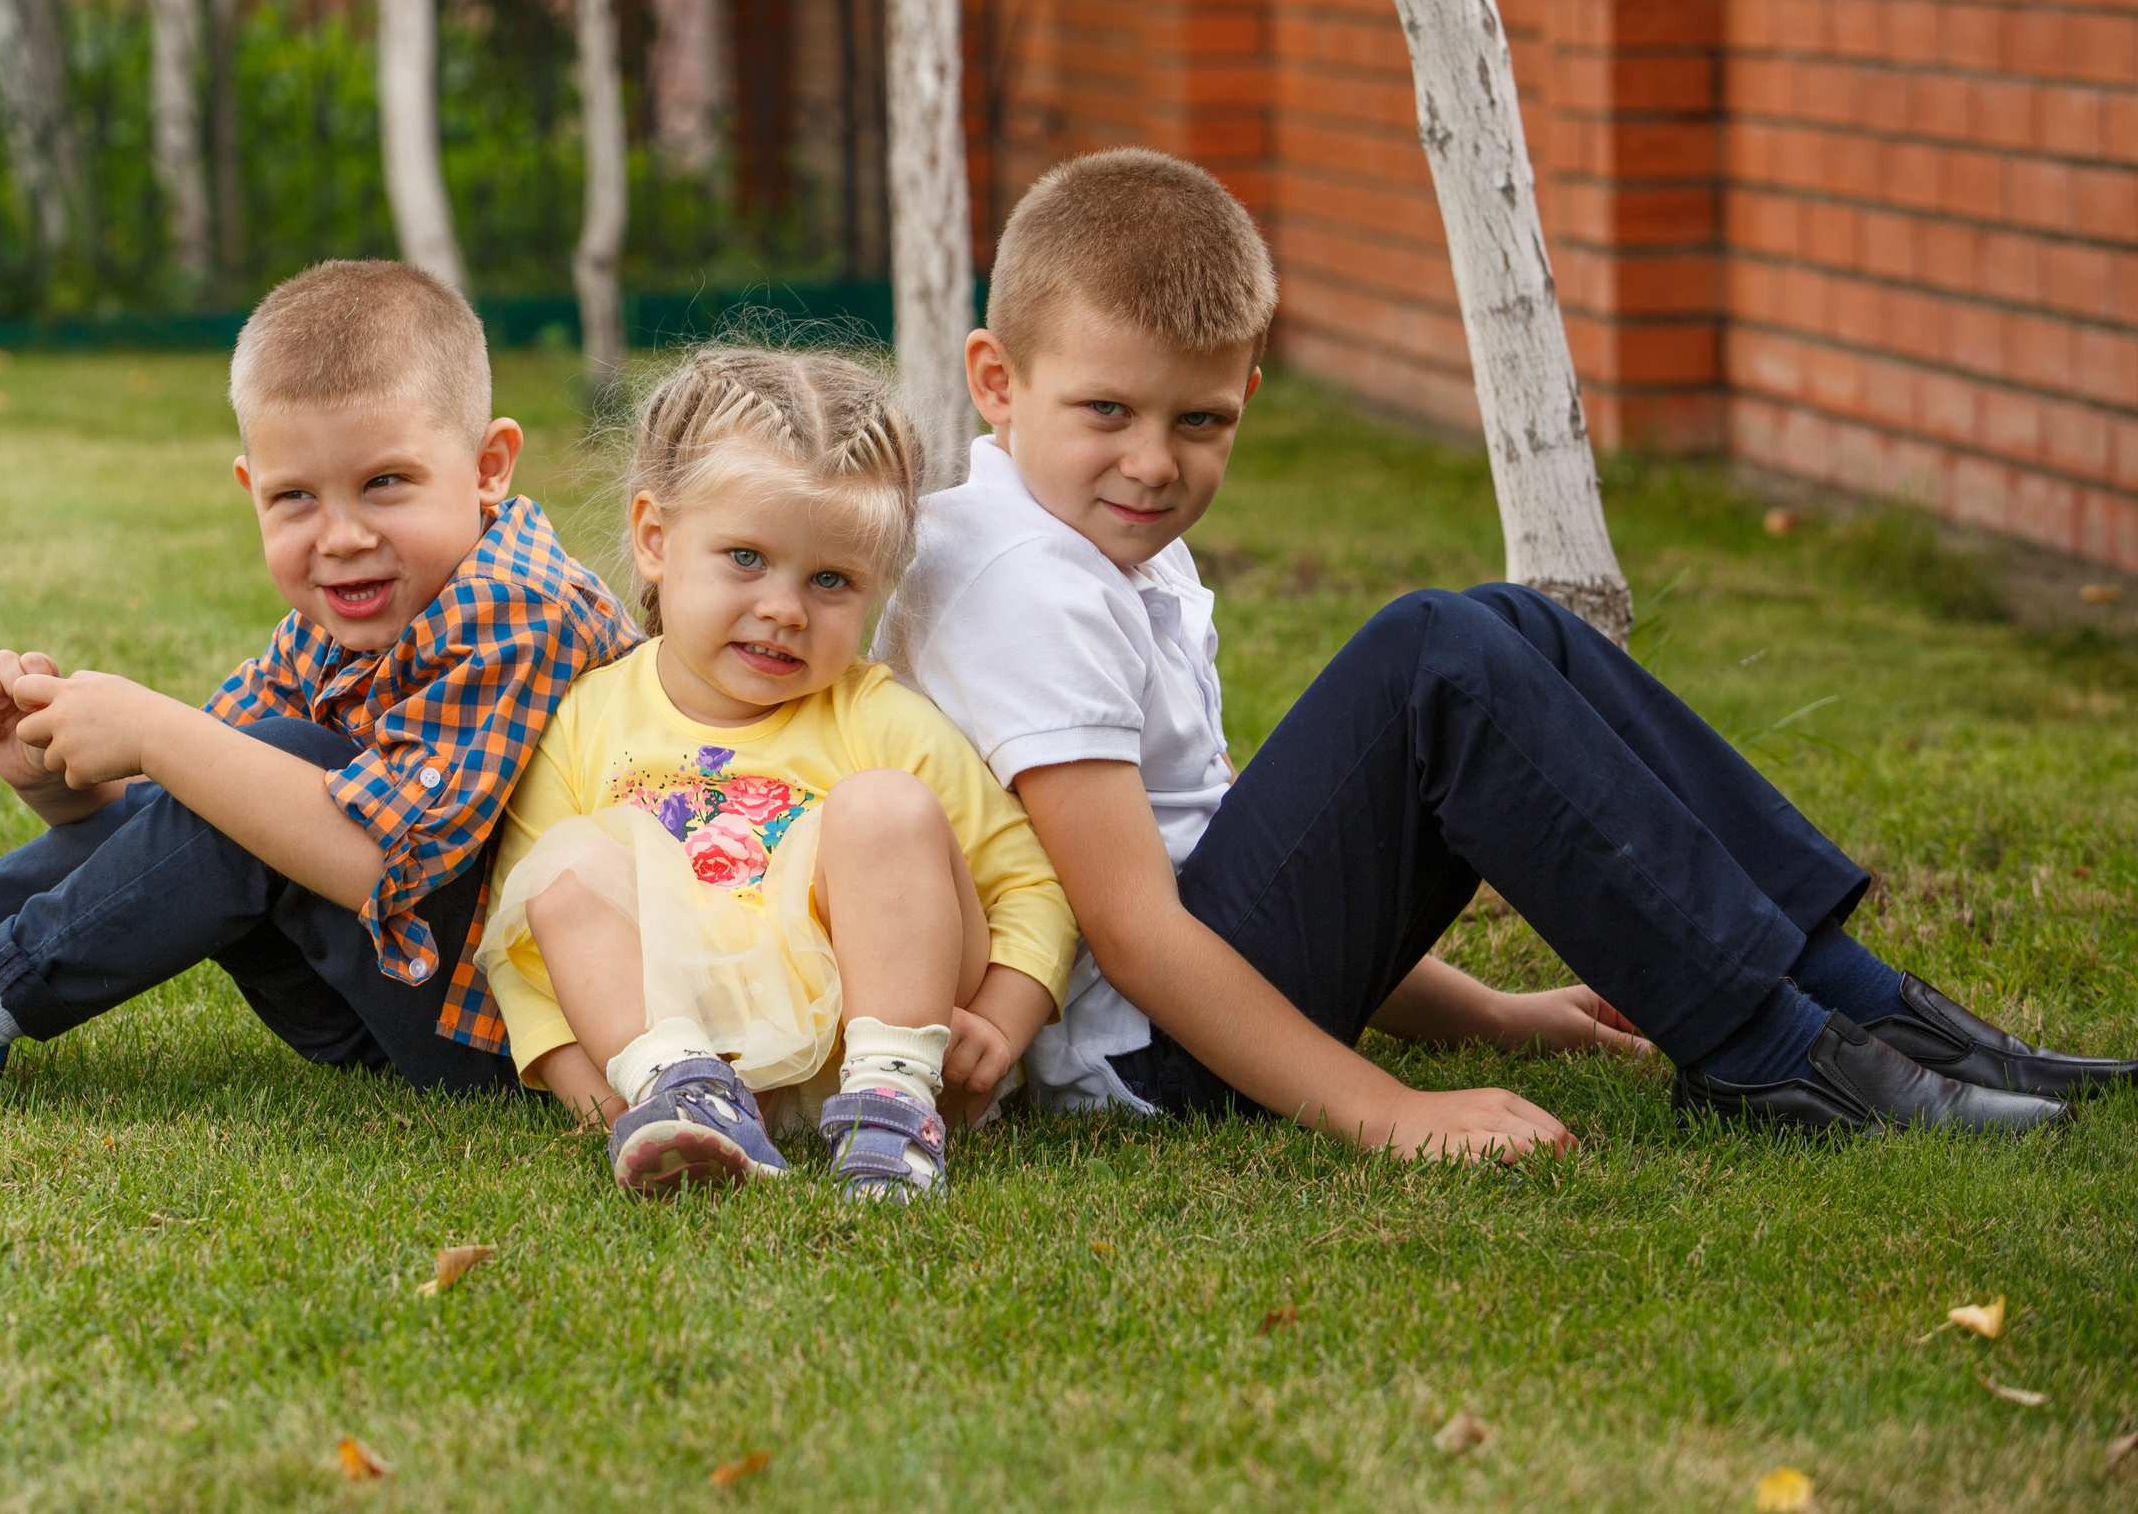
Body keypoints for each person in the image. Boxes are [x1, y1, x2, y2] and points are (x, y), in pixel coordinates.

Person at [876, 149, 2135, 1158]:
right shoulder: (1016, 581)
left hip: (1177, 1011)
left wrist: (1494, 1015)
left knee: (1505, 624)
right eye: (1108, 411)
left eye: (1198, 422)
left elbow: (1231, 854)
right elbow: (1143, 935)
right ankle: (1767, 1050)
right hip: (1143, 1062)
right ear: (996, 379)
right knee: (1438, 653)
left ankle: (1857, 1004)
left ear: (1247, 397)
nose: (1153, 462)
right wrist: (1390, 1111)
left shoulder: (1092, 541)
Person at [0, 260, 640, 1120]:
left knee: (270, 766)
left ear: (487, 468)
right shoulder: (338, 622)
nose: (340, 536)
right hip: (384, 998)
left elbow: (379, 865)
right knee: (240, 775)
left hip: (515, 1029)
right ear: (250, 486)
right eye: (295, 497)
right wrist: (59, 787)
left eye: (385, 483)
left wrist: (160, 731)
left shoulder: (522, 610)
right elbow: (186, 825)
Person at [476, 347, 1077, 1198]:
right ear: (655, 538)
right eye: (746, 558)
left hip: (866, 1041)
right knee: (565, 865)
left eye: (831, 579)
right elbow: (524, 944)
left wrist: (1008, 1020)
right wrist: (587, 1082)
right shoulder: (588, 718)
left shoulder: (879, 717)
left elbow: (1031, 887)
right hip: (697, 1056)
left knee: (880, 810)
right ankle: (678, 1094)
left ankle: (890, 1114)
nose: (785, 608)